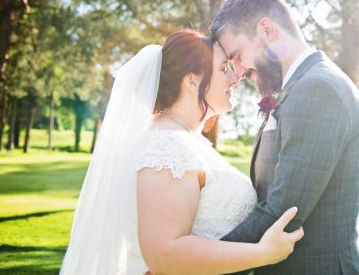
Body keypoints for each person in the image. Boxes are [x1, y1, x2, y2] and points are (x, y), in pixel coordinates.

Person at [60, 29, 303, 274]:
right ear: (191, 81)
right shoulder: (166, 145)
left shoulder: (185, 140)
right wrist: (262, 253)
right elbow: (164, 254)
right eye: (223, 68)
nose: (235, 76)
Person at [211, 0, 359, 275]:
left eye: (237, 55)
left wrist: (196, 267)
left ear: (266, 30)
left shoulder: (318, 89)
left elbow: (282, 213)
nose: (239, 71)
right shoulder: (298, 87)